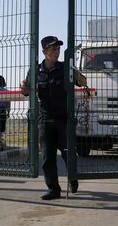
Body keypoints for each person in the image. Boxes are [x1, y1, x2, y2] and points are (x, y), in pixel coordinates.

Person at [20, 35, 87, 200]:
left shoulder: (65, 68)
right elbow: (26, 91)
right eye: (53, 49)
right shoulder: (35, 70)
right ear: (44, 51)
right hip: (45, 119)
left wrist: (79, 77)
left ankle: (72, 178)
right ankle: (53, 189)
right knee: (48, 156)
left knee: (68, 152)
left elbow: (83, 81)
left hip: (63, 118)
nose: (56, 52)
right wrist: (23, 87)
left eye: (58, 49)